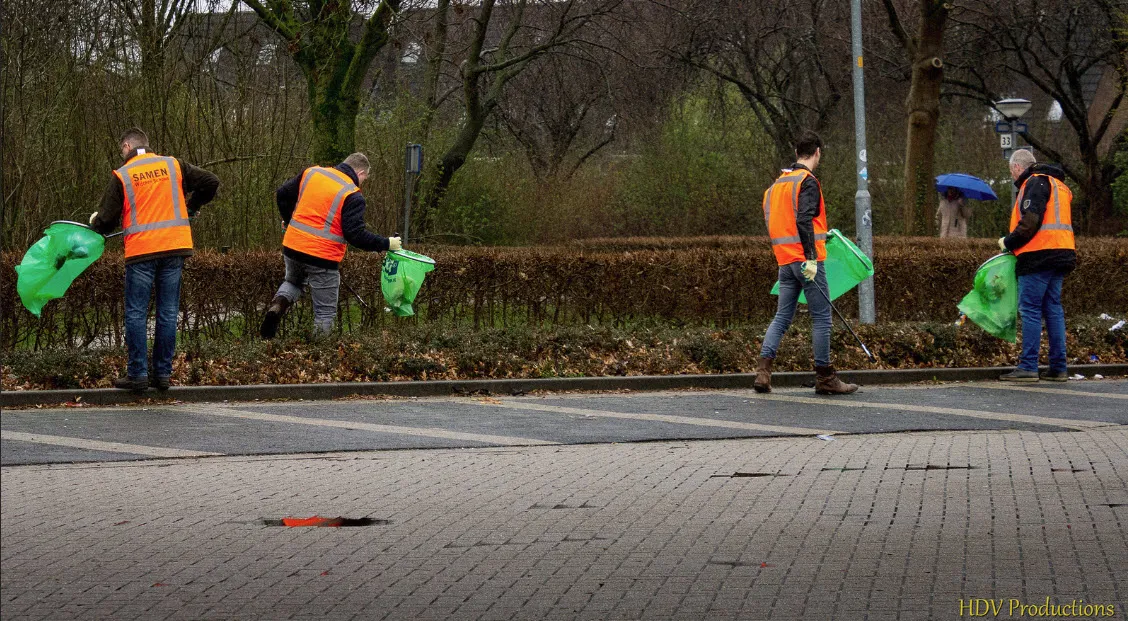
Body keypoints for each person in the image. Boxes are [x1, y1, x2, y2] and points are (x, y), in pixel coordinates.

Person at [89, 128, 219, 392]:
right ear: (147, 146)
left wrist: (95, 224)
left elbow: (105, 220)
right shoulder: (173, 165)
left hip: (142, 251)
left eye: (121, 150)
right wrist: (192, 207)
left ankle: (137, 374)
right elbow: (211, 181)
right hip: (175, 247)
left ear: (126, 145)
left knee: (137, 313)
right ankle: (162, 375)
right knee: (168, 312)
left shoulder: (123, 175)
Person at [754, 131, 858, 395]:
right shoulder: (807, 182)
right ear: (817, 153)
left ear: (797, 152)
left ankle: (763, 373)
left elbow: (779, 222)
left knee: (782, 316)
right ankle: (825, 377)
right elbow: (803, 221)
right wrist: (811, 257)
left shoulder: (778, 185)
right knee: (822, 318)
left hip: (785, 261)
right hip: (807, 261)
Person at [260, 152, 401, 338]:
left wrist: (289, 221)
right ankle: (319, 359)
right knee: (324, 312)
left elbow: (282, 194)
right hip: (322, 258)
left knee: (293, 282)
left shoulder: (312, 173)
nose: (362, 183)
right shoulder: (352, 194)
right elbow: (355, 235)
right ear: (360, 173)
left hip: (292, 247)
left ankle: (277, 306)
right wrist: (386, 243)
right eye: (364, 179)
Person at [997, 149, 1076, 382]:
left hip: (1038, 255)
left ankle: (1028, 366)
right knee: (1053, 309)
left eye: (1012, 172)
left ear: (1018, 168)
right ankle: (1058, 367)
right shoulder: (1060, 186)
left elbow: (1031, 221)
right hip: (1062, 253)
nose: (1013, 177)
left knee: (1030, 310)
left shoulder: (1034, 183)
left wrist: (1008, 243)